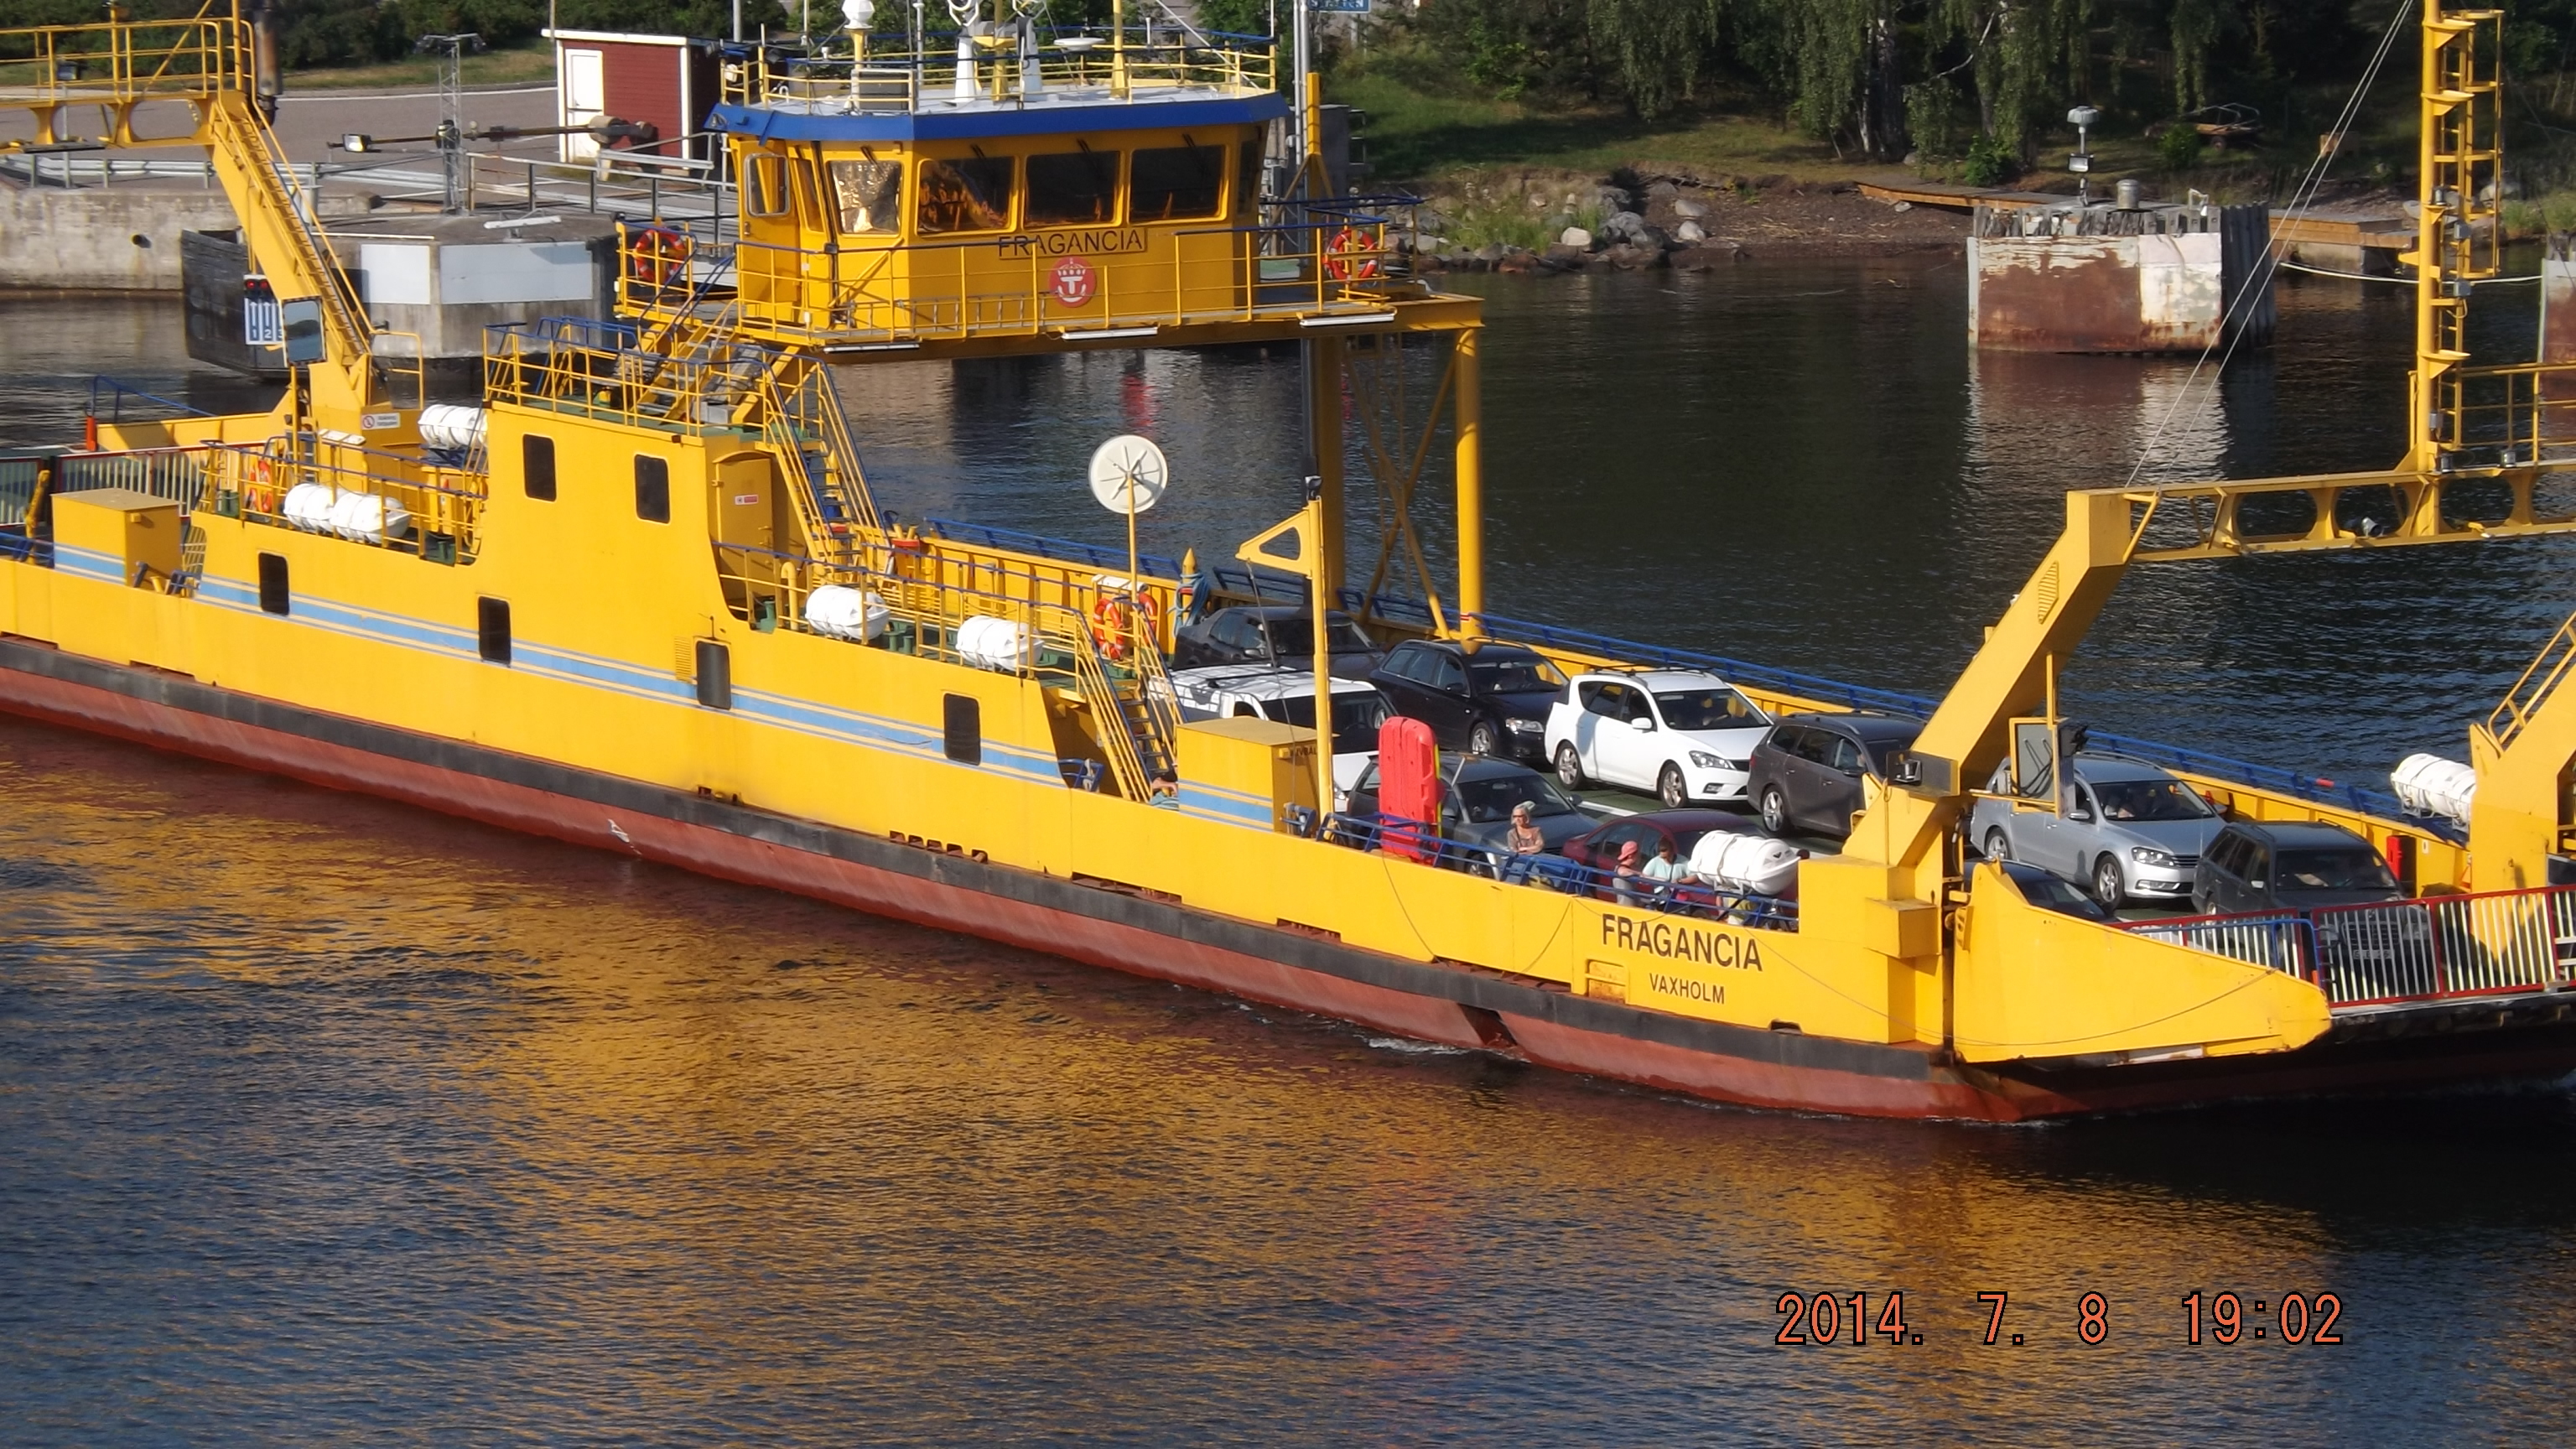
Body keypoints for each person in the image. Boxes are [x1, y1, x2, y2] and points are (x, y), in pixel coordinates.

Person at [1500, 801, 1547, 884]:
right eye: (1515, 816)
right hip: (1520, 862)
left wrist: (1524, 848)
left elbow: (1539, 846)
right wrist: (1529, 850)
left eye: (1520, 816)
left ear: (1526, 816)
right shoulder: (1511, 833)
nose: (1517, 819)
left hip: (1537, 860)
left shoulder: (1536, 830)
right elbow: (1514, 850)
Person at [1642, 835, 1691, 904]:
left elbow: (1695, 877)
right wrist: (1658, 880)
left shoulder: (1684, 861)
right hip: (1660, 899)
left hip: (1679, 899)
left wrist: (1681, 881)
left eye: (1667, 857)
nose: (1666, 860)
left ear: (1672, 851)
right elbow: (1643, 878)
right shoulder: (1655, 861)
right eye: (1663, 858)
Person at [1612, 839, 1649, 906]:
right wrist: (1638, 873)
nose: (1640, 856)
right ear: (1630, 855)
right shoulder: (1621, 869)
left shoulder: (1625, 868)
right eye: (1638, 853)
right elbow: (1622, 872)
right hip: (1626, 908)